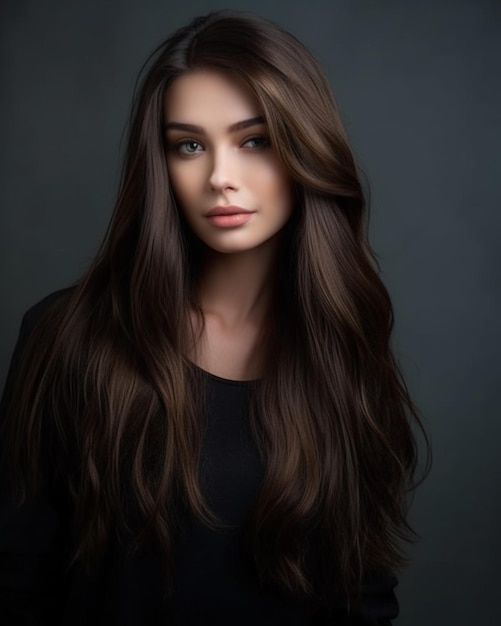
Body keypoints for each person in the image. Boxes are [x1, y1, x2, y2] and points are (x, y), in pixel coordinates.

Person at [0, 10, 428, 625]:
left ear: (304, 148)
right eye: (190, 146)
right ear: (162, 165)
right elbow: (19, 582)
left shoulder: (345, 350)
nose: (220, 178)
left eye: (254, 139)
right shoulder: (68, 338)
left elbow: (362, 597)